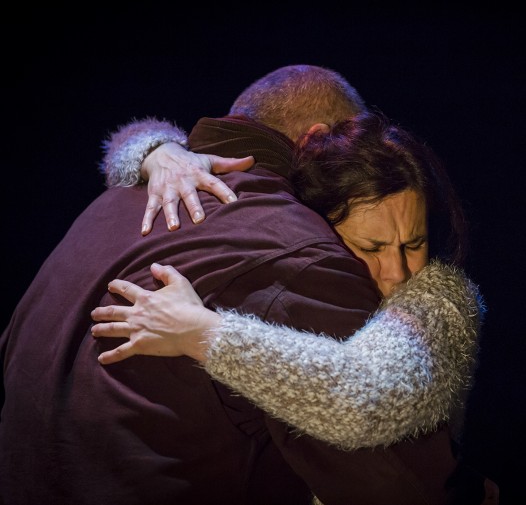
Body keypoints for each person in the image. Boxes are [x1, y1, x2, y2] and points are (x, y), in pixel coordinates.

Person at [0, 65, 496, 504]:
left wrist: (156, 148)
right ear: (319, 139)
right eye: (352, 144)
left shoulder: (105, 209)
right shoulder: (299, 249)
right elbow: (396, 482)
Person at [91, 110, 485, 451]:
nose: (398, 273)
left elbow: (363, 399)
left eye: (414, 243)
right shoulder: (309, 253)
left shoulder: (440, 300)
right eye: (372, 247)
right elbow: (132, 141)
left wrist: (199, 331)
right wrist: (159, 152)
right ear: (318, 230)